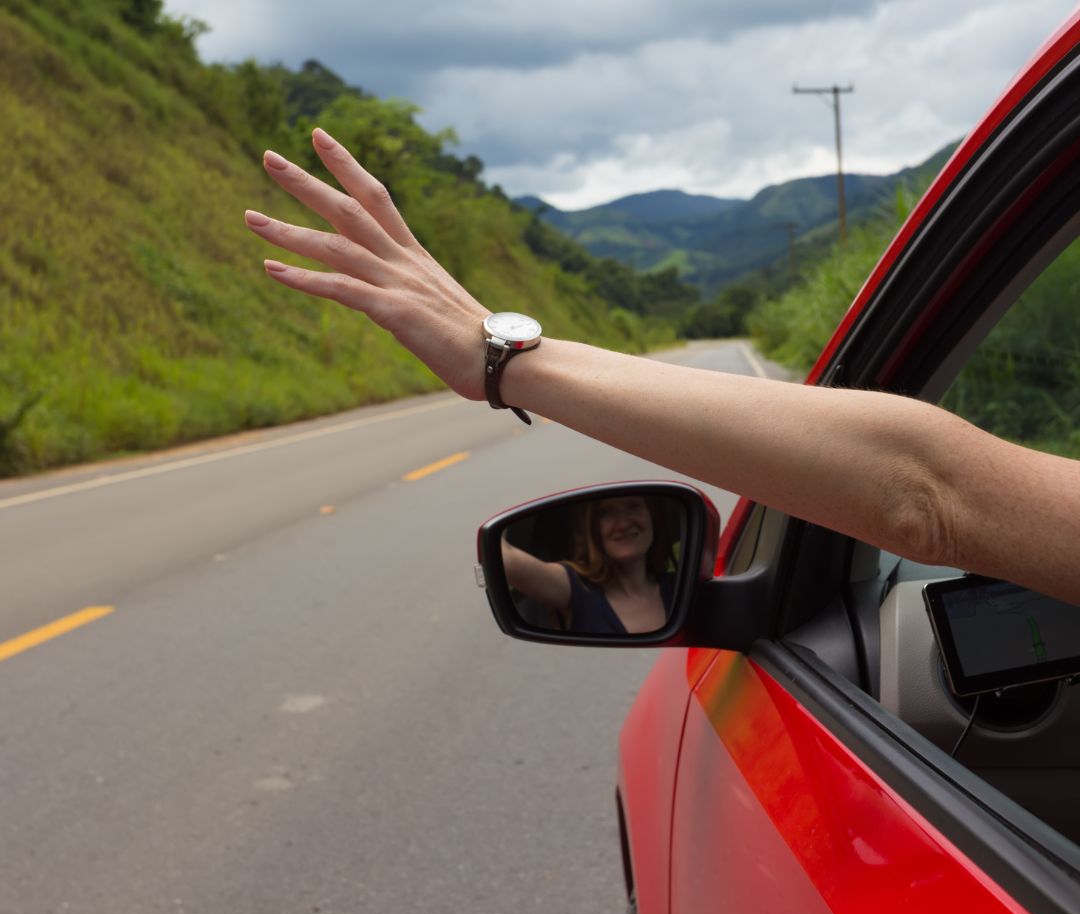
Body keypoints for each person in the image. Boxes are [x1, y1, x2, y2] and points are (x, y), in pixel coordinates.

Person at [244, 129, 1080, 606]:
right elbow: (922, 494)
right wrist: (505, 359)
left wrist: (506, 362)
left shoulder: (617, 597)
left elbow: (925, 496)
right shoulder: (594, 595)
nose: (618, 529)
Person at [501, 494, 678, 634]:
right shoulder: (575, 586)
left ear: (652, 517)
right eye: (605, 513)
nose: (623, 523)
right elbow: (507, 559)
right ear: (590, 528)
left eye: (633, 506)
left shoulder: (681, 586)